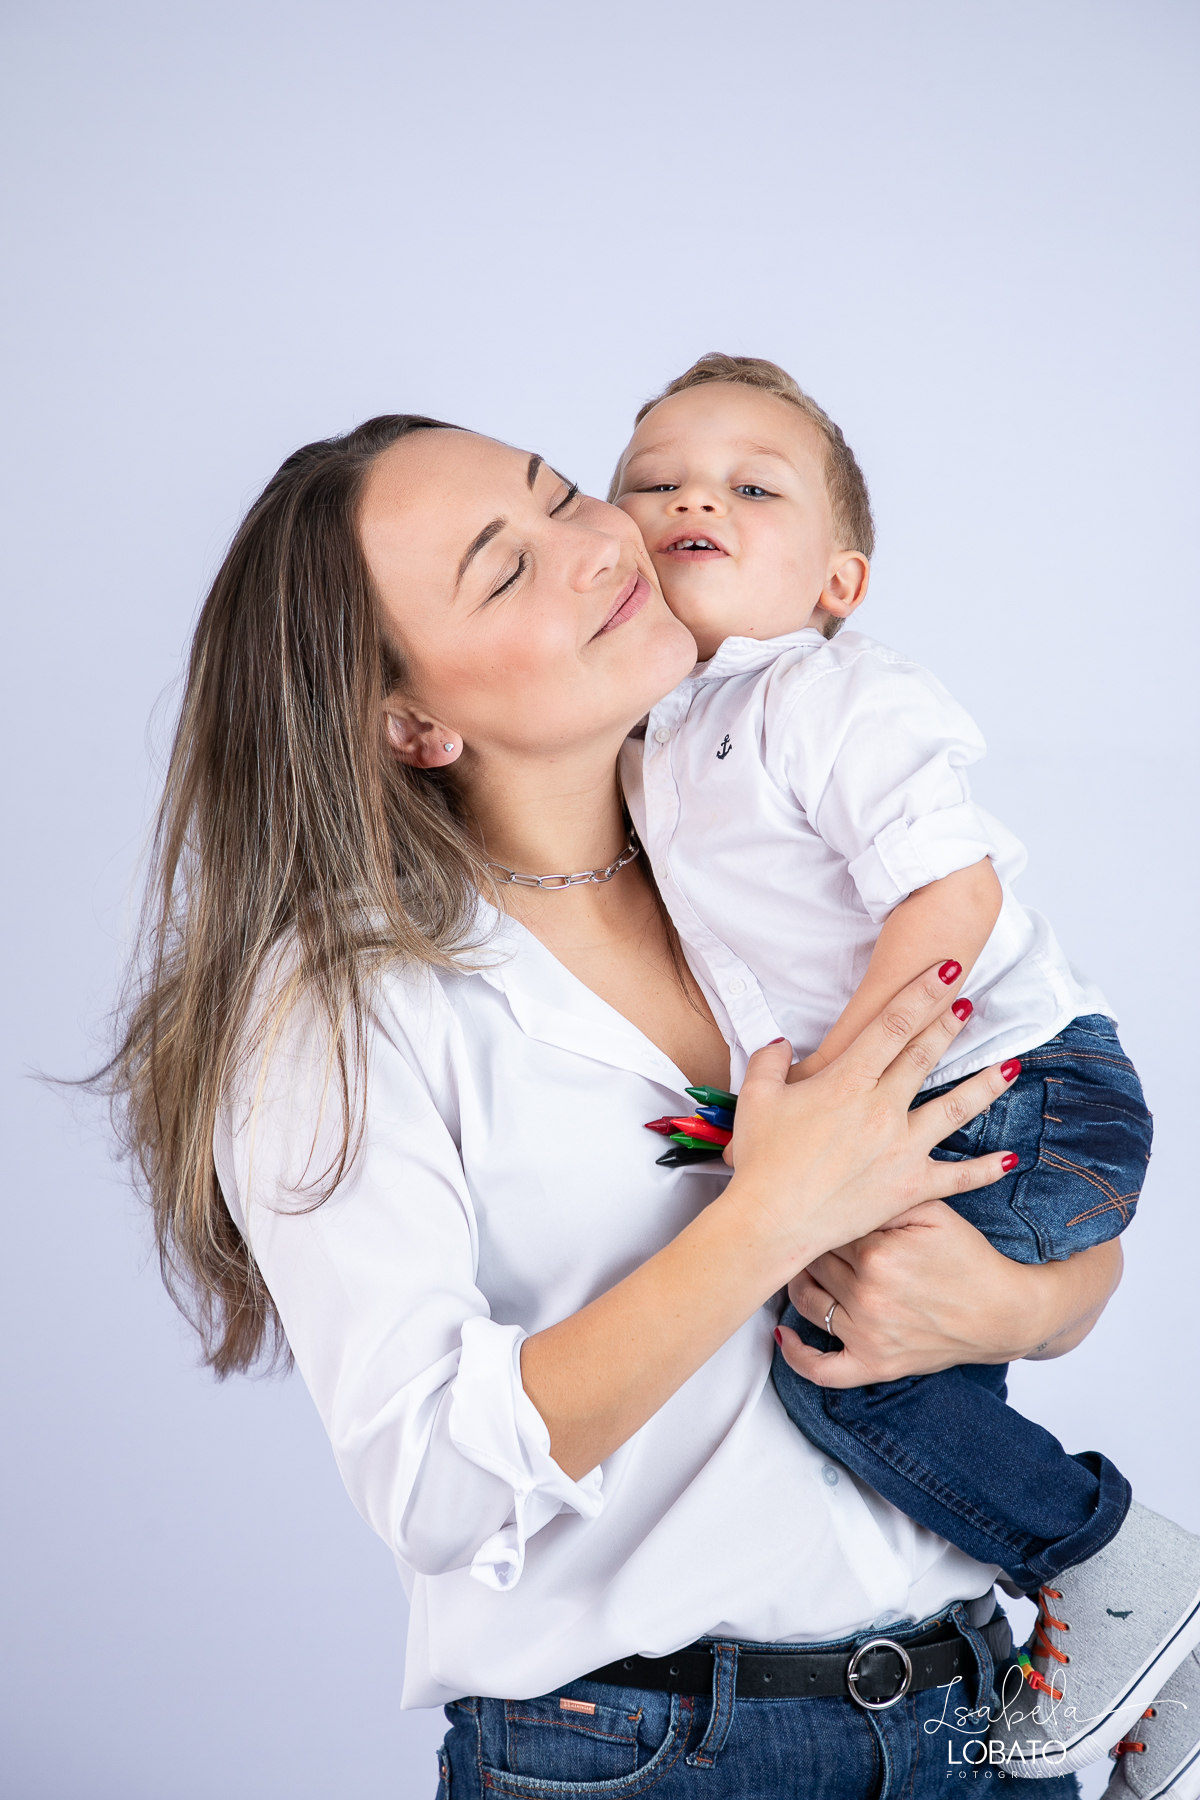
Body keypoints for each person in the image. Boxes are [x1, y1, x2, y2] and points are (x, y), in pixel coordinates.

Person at [109, 412, 1121, 1798]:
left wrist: (1021, 1310)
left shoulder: (782, 829)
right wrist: (762, 1224)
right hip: (650, 1758)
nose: (592, 545)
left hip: (982, 1711)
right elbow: (429, 1485)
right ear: (413, 723)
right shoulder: (341, 1007)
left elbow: (1042, 1170)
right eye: (502, 569)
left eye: (562, 492)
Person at [610, 353, 1200, 1784]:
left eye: (753, 487)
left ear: (838, 584)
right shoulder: (656, 744)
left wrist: (844, 1090)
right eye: (653, 483)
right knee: (876, 1362)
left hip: (1025, 1083)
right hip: (937, 1097)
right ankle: (1147, 1676)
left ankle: (1118, 1566)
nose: (698, 494)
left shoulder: (828, 698)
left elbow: (956, 903)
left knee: (852, 1374)